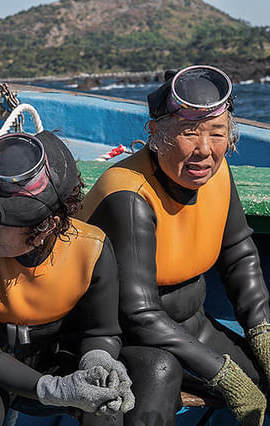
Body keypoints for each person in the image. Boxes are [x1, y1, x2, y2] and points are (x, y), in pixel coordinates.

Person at [78, 65, 270, 425]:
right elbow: (139, 314)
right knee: (160, 373)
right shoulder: (130, 194)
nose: (204, 150)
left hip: (193, 327)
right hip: (120, 338)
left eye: (217, 133)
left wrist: (263, 332)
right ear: (157, 133)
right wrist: (222, 374)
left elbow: (239, 255)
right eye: (188, 132)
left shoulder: (217, 172)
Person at [0, 131, 135, 425]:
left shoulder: (92, 247)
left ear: (48, 225)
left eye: (1, 218)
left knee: (104, 405)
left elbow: (101, 332)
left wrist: (100, 360)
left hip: (52, 356)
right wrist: (53, 389)